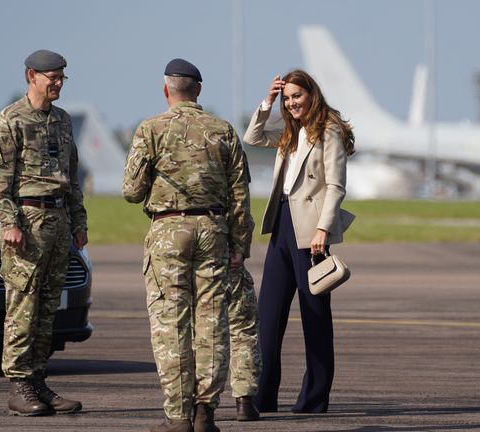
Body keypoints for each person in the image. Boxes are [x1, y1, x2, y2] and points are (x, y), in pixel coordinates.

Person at [122, 58, 252, 432]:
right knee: (212, 322)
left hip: (167, 230)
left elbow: (131, 192)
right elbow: (240, 194)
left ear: (166, 90)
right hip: (213, 229)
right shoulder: (223, 130)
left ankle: (177, 416)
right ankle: (205, 413)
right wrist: (239, 243)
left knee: (170, 322)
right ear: (198, 90)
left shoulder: (151, 129)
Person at [243, 69, 355, 413]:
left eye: (297, 96)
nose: (292, 103)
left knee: (315, 317)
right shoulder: (290, 131)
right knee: (268, 313)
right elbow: (252, 136)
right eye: (287, 98)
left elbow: (336, 185)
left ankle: (314, 399)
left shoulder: (329, 130)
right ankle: (263, 396)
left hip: (311, 232)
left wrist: (324, 229)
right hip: (281, 225)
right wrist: (268, 101)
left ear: (312, 94)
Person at [0, 49, 87, 416]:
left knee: (47, 308)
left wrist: (79, 222)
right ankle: (18, 384)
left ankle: (38, 381)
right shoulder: (10, 120)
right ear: (31, 76)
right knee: (23, 306)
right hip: (26, 222)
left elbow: (71, 175)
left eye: (61, 77)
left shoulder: (62, 120)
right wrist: (10, 222)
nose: (58, 83)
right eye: (52, 77)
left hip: (58, 221)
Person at [227, 263, 261, 421]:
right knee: (242, 331)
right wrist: (240, 248)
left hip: (182, 267)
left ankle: (196, 407)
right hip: (224, 260)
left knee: (192, 333)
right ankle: (244, 400)